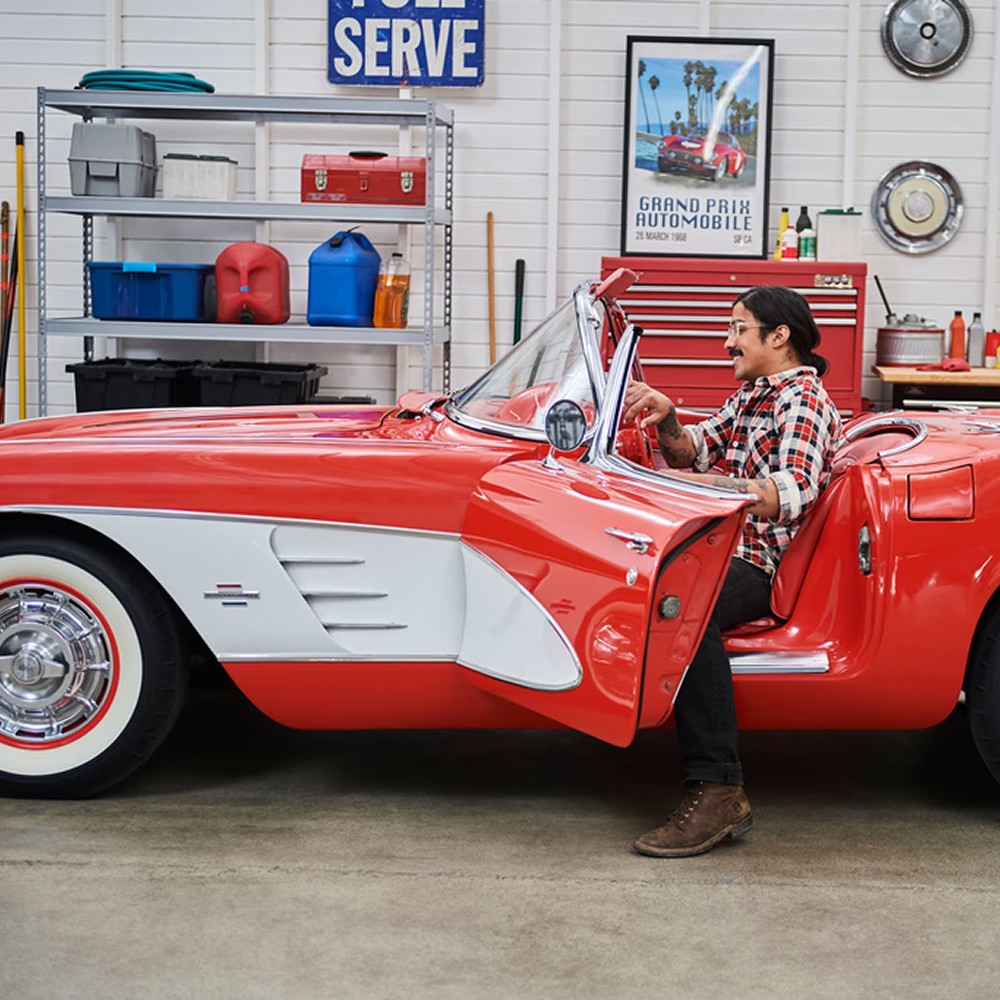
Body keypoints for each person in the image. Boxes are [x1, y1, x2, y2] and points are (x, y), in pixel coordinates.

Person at [621, 284, 842, 858]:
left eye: (739, 329)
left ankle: (719, 788)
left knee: (683, 612)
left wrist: (706, 488)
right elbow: (689, 450)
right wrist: (668, 416)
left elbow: (793, 491)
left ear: (779, 336)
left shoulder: (803, 401)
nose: (728, 343)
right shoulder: (752, 396)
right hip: (721, 548)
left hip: (759, 563)